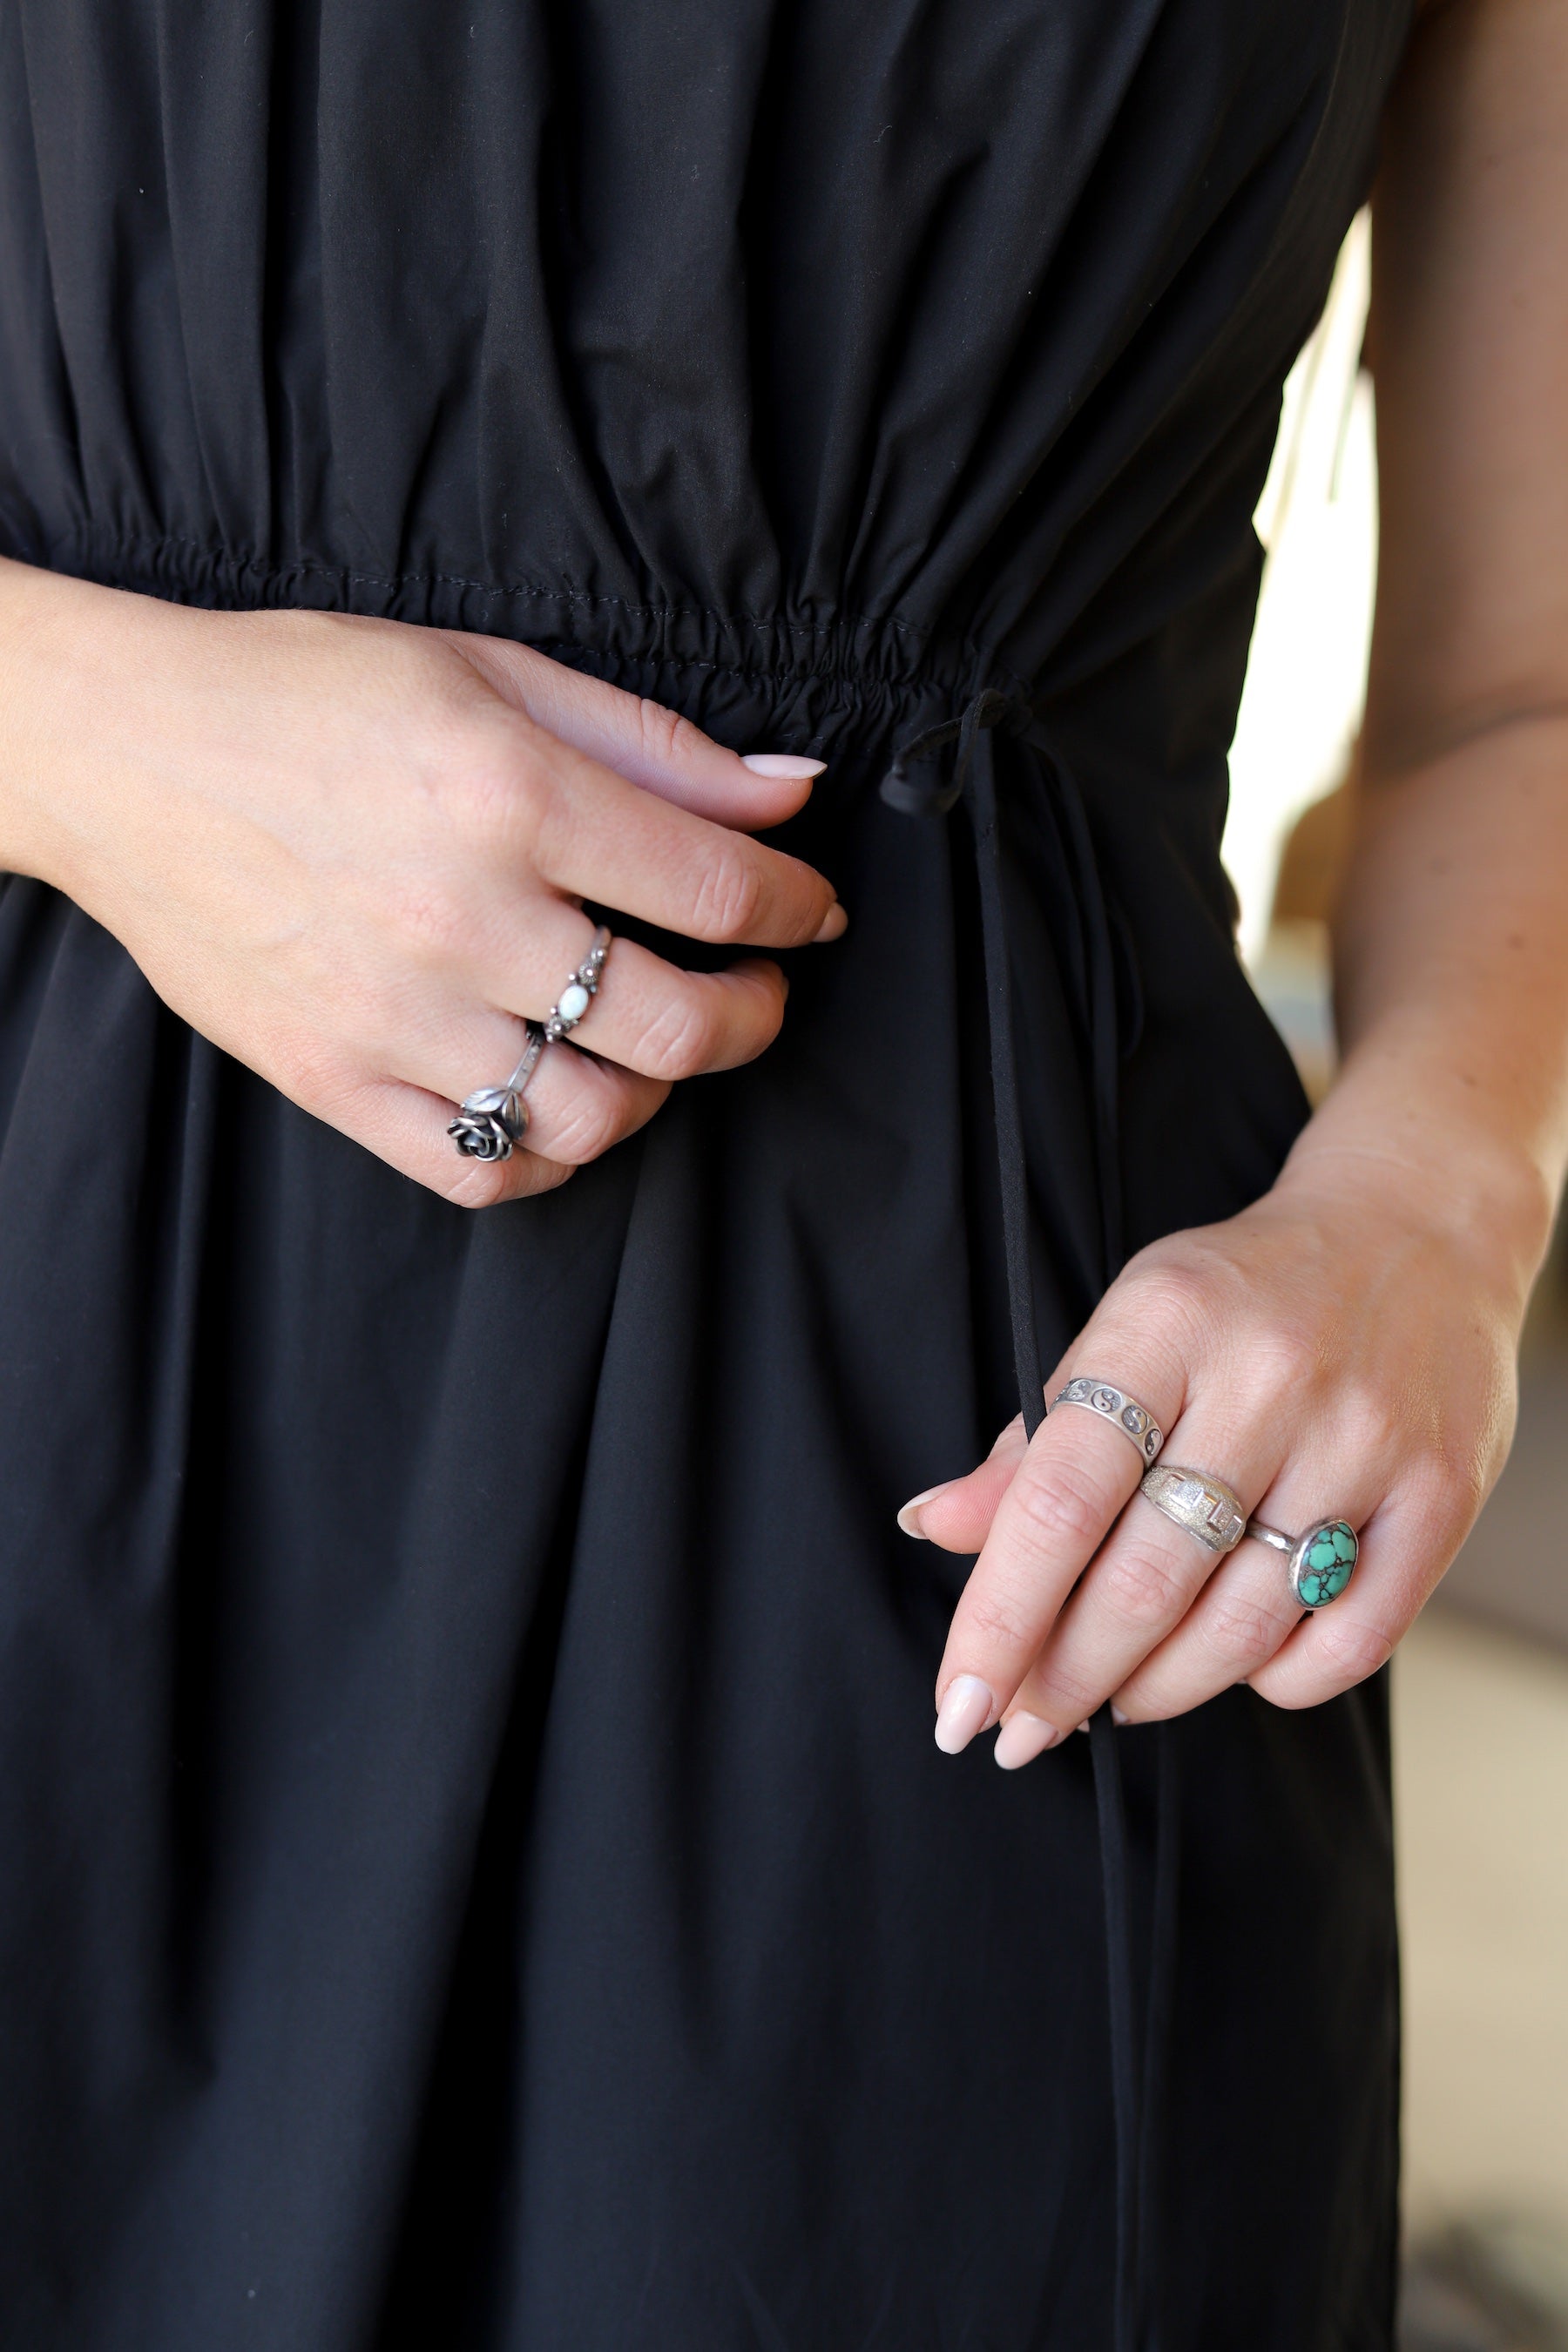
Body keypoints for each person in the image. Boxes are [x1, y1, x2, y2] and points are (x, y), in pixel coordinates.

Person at [1, 0, 1565, 2343]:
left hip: (982, 1550)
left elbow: (1517, 680)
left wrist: (1444, 1195)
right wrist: (82, 734)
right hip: (55, 1386)